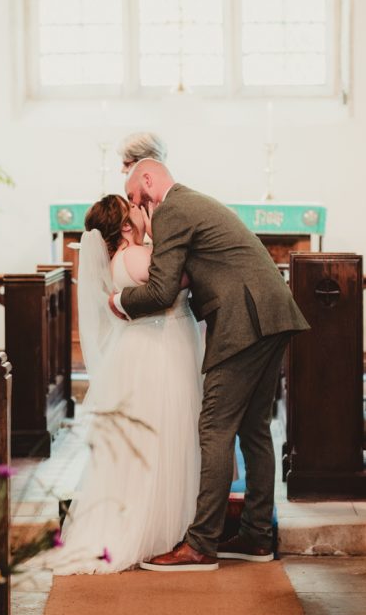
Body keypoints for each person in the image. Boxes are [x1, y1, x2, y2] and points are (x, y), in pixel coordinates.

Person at [110, 159, 309, 572]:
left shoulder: (172, 209)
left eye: (133, 195)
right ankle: (256, 537)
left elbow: (162, 290)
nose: (135, 206)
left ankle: (200, 544)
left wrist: (119, 302)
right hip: (271, 313)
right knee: (254, 429)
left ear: (148, 180)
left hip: (245, 320)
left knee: (215, 427)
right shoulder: (190, 203)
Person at [45, 194, 203, 574]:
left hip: (150, 347)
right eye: (133, 208)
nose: (142, 208)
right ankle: (158, 530)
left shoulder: (126, 256)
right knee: (166, 433)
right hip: (158, 350)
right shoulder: (134, 256)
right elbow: (179, 277)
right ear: (127, 226)